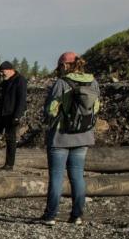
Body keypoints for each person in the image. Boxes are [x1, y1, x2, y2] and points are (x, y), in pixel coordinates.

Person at [40, 51, 100, 225]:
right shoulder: (93, 82)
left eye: (60, 66)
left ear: (64, 65)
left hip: (61, 136)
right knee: (78, 176)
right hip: (84, 135)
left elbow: (52, 109)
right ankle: (77, 215)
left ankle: (50, 215)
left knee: (57, 176)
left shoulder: (61, 83)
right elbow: (96, 108)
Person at [0, 61, 27, 169]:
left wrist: (17, 115)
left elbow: (22, 99)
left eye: (3, 72)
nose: (2, 74)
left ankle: (9, 164)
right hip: (1, 113)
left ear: (10, 69)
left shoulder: (20, 80)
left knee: (10, 139)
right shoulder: (6, 81)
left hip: (11, 114)